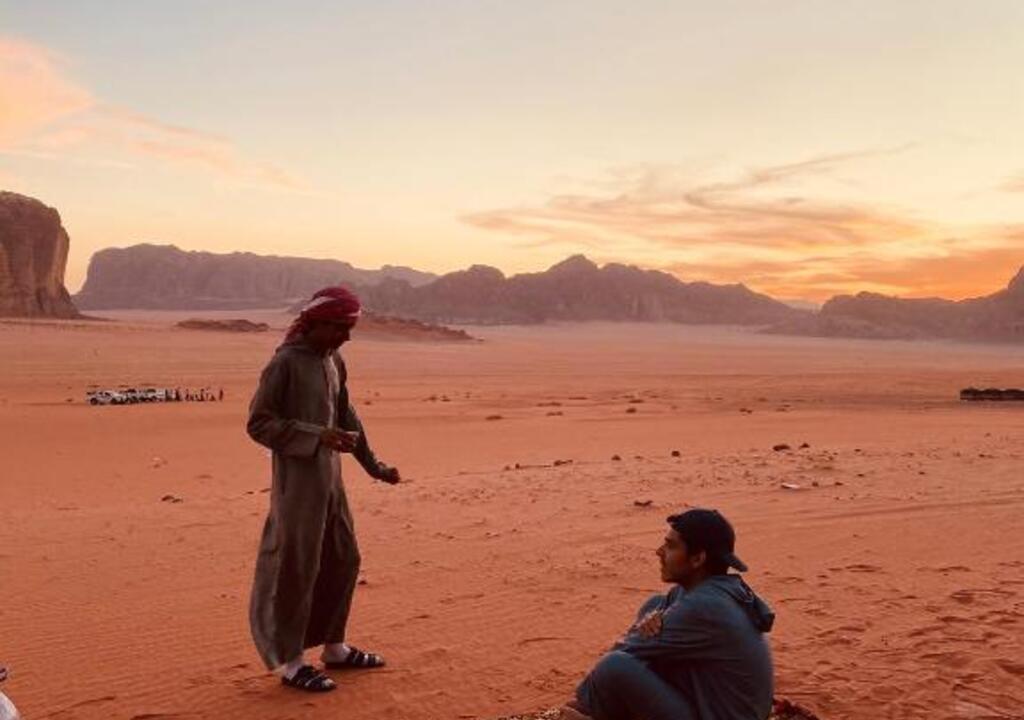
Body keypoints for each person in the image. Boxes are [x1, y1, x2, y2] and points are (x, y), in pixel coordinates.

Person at [247, 286, 401, 693]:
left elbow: (347, 415)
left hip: (331, 481)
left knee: (343, 559)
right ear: (315, 323)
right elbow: (259, 423)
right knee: (297, 567)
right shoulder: (284, 363)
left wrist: (374, 466)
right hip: (297, 486)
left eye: (349, 329)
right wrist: (317, 435)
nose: (345, 337)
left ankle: (335, 647)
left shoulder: (334, 360)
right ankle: (290, 662)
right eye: (339, 328)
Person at [563, 509, 774, 720]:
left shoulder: (704, 606)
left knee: (615, 665)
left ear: (697, 558)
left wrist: (584, 698)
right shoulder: (713, 589)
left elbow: (627, 650)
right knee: (653, 605)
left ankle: (584, 711)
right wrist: (650, 626)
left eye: (671, 546)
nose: (659, 552)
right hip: (710, 702)